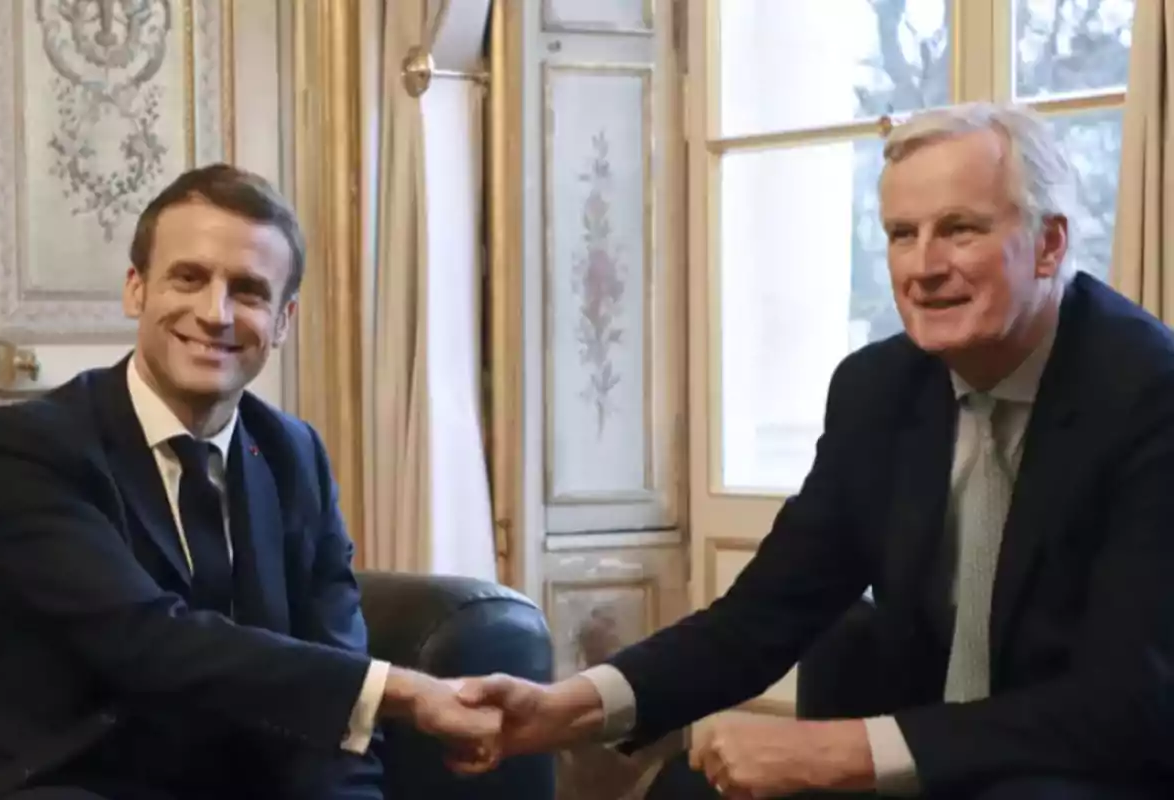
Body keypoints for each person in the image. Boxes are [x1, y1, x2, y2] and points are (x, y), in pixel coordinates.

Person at [449, 103, 1174, 798]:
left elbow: (1126, 703)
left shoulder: (1149, 395)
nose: (922, 267)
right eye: (900, 234)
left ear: (1049, 244)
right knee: (690, 787)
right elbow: (765, 613)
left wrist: (844, 751)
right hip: (932, 755)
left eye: (959, 230)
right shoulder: (879, 388)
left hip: (1097, 768)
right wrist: (567, 706)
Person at [0, 164, 498, 800]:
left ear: (282, 320)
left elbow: (331, 696)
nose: (215, 313)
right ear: (136, 289)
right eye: (188, 278)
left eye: (249, 291)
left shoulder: (293, 454)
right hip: (78, 778)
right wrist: (403, 690)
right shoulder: (26, 446)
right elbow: (143, 641)